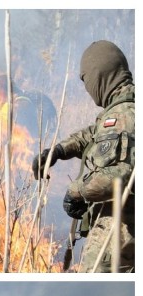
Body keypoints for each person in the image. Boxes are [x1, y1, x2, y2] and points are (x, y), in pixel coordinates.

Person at [31, 40, 134, 272]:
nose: (87, 88)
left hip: (119, 240)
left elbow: (116, 175)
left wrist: (76, 191)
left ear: (100, 75)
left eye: (86, 79)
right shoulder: (127, 107)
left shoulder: (122, 116)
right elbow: (93, 134)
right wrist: (58, 151)